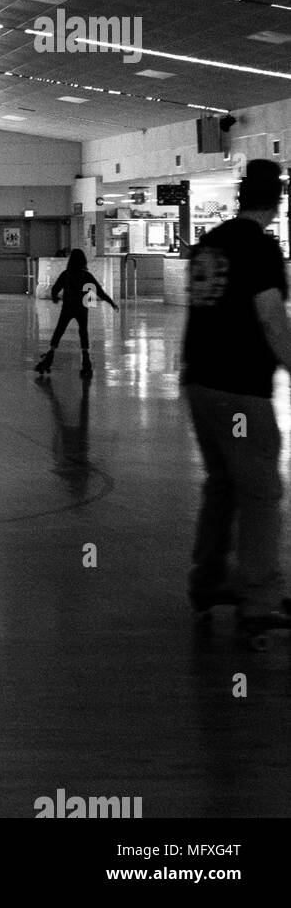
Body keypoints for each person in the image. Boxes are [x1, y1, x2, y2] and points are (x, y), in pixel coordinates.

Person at [182, 160, 291, 629]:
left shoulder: (212, 239)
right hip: (240, 389)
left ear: (241, 196)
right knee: (262, 492)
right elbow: (270, 317)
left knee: (223, 482)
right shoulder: (262, 249)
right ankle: (260, 601)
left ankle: (207, 580)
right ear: (278, 201)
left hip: (199, 381)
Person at [34, 249, 117, 376]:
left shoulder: (66, 274)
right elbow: (99, 291)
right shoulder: (86, 276)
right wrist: (111, 302)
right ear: (83, 261)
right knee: (83, 331)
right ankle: (86, 359)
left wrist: (55, 297)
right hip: (82, 308)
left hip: (68, 307)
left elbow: (55, 288)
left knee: (59, 330)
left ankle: (50, 355)